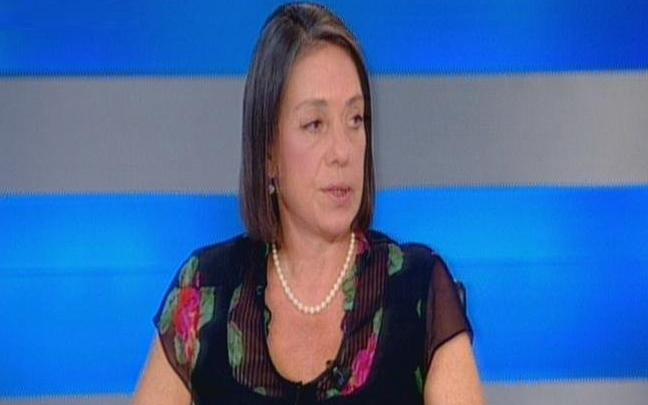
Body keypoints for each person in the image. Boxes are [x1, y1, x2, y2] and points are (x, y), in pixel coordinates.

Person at [132, 2, 486, 404]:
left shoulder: (419, 290)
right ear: (268, 151)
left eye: (355, 119)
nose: (342, 152)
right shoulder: (205, 289)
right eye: (315, 124)